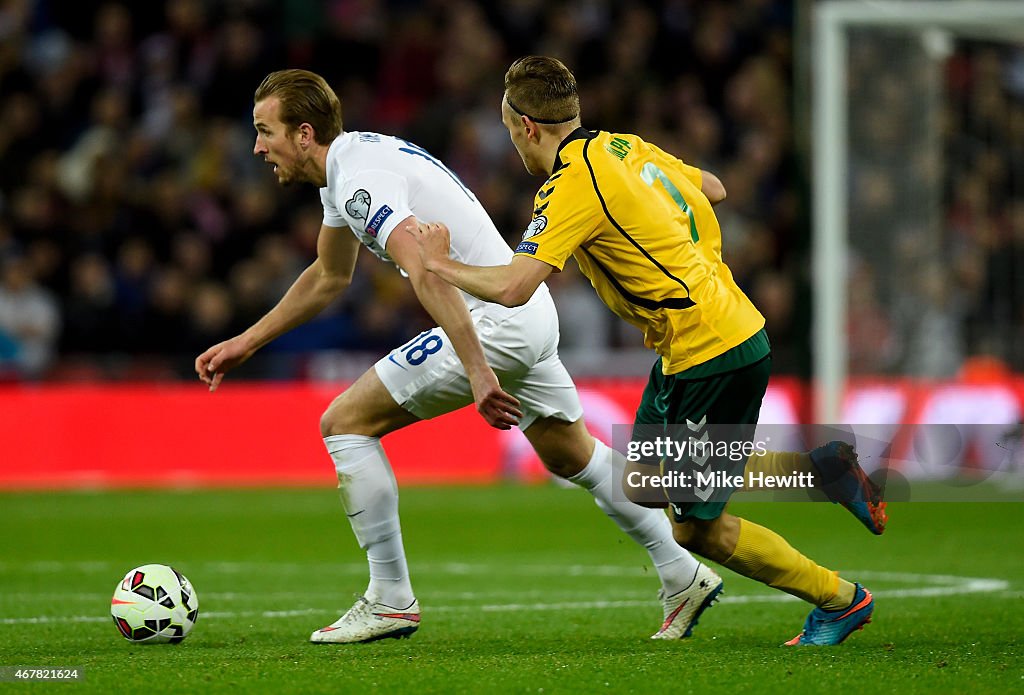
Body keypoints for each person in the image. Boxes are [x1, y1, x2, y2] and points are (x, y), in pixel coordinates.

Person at [195, 69, 721, 645]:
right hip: (530, 315)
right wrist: (246, 342)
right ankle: (681, 571)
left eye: (263, 130)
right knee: (570, 453)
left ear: (302, 133)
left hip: (492, 321)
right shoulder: (350, 168)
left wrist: (477, 372)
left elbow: (425, 268)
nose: (256, 146)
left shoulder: (357, 180)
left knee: (344, 424)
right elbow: (328, 274)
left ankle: (390, 600)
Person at [411, 56, 886, 646]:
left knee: (697, 533)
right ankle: (822, 471)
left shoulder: (568, 188)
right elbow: (712, 187)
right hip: (697, 339)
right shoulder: (623, 148)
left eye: (511, 133)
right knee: (644, 481)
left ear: (527, 128)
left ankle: (840, 598)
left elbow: (513, 287)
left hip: (710, 348)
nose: (515, 146)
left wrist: (433, 261)